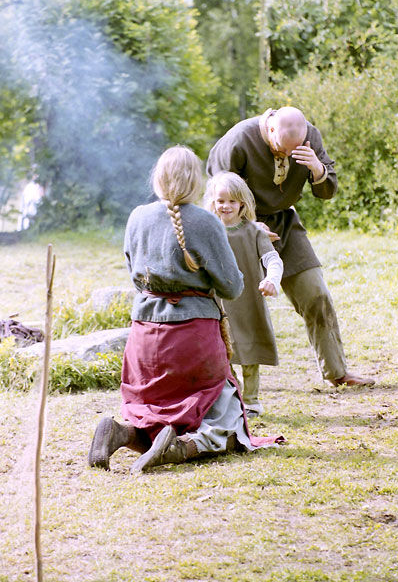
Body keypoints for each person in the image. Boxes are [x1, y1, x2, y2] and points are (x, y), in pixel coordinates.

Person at [88, 146, 285, 474]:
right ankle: (178, 448)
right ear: (196, 180)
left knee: (157, 410)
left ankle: (120, 433)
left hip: (144, 338)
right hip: (192, 337)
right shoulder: (206, 221)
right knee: (228, 422)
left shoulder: (137, 216)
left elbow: (134, 274)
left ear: (158, 178)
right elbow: (232, 287)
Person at [207, 106, 374, 388]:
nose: (286, 155)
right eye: (281, 149)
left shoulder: (310, 136)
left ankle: (337, 372)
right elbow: (215, 196)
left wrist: (318, 169)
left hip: (285, 224)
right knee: (232, 308)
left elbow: (327, 191)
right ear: (271, 129)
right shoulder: (237, 141)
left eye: (292, 151)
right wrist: (248, 223)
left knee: (316, 293)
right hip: (239, 231)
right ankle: (221, 380)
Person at [204, 171, 283, 418]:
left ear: (242, 203)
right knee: (221, 352)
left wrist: (272, 279)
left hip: (248, 300)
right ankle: (232, 397)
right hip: (216, 302)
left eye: (232, 201)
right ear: (213, 203)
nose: (226, 206)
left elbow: (272, 259)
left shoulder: (254, 232)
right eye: (220, 201)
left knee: (249, 351)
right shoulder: (208, 230)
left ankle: (251, 401)